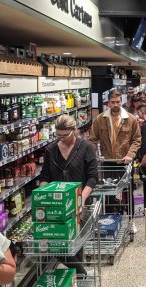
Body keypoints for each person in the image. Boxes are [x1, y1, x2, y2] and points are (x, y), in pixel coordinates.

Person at [40, 114, 99, 275]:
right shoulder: (51, 150)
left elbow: (93, 177)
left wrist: (82, 197)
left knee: (76, 243)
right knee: (57, 245)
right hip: (56, 206)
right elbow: (45, 177)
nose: (62, 139)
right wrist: (43, 196)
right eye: (58, 135)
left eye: (65, 135)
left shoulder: (86, 147)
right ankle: (81, 275)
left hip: (79, 204)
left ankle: (79, 282)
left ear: (74, 131)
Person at [89, 89, 141, 164]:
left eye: (118, 102)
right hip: (106, 161)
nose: (115, 105)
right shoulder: (100, 119)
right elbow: (92, 139)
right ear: (109, 102)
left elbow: (137, 140)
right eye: (113, 102)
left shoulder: (131, 119)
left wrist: (130, 154)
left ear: (121, 102)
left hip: (125, 160)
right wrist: (93, 154)